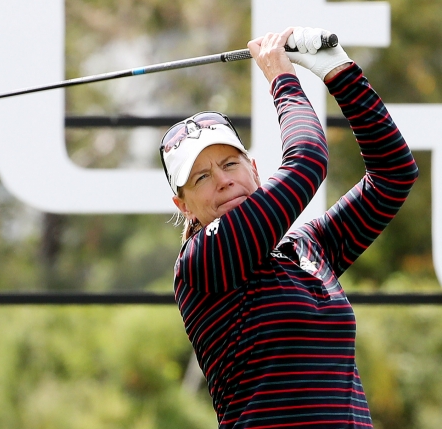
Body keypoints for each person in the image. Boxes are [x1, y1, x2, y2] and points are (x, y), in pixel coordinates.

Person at [159, 27, 419, 428]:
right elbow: (308, 161)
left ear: (254, 170)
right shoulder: (202, 263)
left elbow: (394, 175)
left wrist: (340, 72)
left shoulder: (307, 249)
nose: (223, 180)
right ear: (184, 206)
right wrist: (282, 78)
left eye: (230, 164)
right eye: (201, 178)